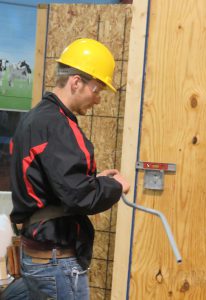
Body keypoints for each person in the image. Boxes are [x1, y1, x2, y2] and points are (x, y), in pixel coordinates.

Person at [9, 38, 130, 300]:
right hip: (55, 261)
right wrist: (115, 185)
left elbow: (52, 181)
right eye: (96, 90)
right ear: (76, 82)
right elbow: (80, 197)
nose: (97, 99)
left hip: (37, 253)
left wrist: (94, 180)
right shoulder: (58, 126)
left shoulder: (36, 118)